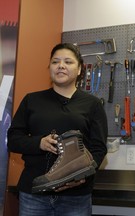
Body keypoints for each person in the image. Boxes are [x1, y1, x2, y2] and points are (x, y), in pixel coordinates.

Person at [7, 43, 108, 216]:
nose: (61, 66)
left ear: (79, 70)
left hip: (76, 196)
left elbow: (99, 148)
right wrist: (39, 143)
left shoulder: (92, 104)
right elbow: (13, 139)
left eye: (68, 62)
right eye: (55, 62)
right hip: (34, 194)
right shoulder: (32, 100)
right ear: (50, 67)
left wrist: (83, 175)